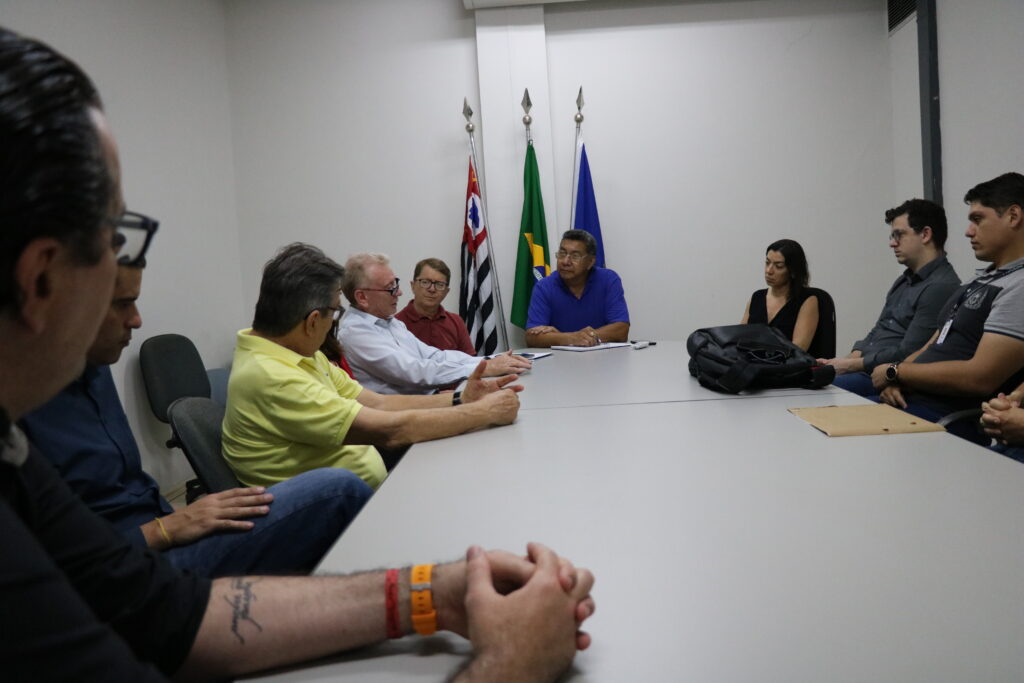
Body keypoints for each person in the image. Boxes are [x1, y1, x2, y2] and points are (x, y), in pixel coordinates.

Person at [0, 26, 594, 681]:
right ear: (41, 279)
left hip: (181, 544)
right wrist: (513, 663)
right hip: (315, 496)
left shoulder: (19, 447)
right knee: (337, 491)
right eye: (116, 232)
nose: (133, 307)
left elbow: (167, 610)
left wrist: (434, 594)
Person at [20, 260, 372, 576]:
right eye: (122, 303)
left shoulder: (93, 368)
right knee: (338, 491)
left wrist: (174, 519)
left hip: (161, 527)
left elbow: (125, 492)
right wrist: (164, 529)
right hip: (131, 565)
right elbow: (54, 562)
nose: (137, 320)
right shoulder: (20, 410)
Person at [223, 244, 525, 489]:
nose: (336, 322)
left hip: (370, 477)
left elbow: (378, 402)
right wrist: (484, 412)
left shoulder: (300, 351)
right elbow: (391, 431)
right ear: (313, 320)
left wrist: (461, 398)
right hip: (341, 507)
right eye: (335, 311)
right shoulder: (272, 376)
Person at [869, 172, 1024, 443]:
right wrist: (897, 378)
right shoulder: (978, 279)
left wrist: (896, 371)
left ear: (1013, 216)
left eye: (978, 219)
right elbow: (933, 343)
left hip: (943, 415)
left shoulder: (1018, 285)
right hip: (910, 400)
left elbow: (979, 377)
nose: (968, 231)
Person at [819, 199, 960, 396]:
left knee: (818, 393)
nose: (892, 243)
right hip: (867, 369)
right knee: (809, 382)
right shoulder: (904, 280)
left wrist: (851, 365)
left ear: (925, 234)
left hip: (885, 376)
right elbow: (879, 330)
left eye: (899, 235)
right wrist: (843, 361)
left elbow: (909, 352)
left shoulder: (940, 287)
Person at [338, 252, 530, 394]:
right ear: (362, 297)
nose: (399, 292)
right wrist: (484, 368)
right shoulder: (355, 333)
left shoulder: (389, 322)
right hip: (404, 417)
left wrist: (488, 361)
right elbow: (415, 372)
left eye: (396, 284)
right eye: (390, 288)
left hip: (428, 402)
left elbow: (433, 356)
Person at [525, 229, 630, 347]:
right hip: (561, 358)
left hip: (604, 356)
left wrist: (576, 338)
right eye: (562, 254)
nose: (565, 261)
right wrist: (571, 338)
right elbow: (532, 337)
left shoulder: (608, 280)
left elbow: (621, 330)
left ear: (590, 262)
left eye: (575, 256)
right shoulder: (544, 287)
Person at [741, 238, 822, 353]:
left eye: (778, 266)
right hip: (752, 361)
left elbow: (798, 349)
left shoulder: (807, 300)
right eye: (767, 263)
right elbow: (739, 338)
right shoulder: (756, 297)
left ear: (793, 271)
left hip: (787, 363)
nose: (769, 271)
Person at [396, 257, 477, 355]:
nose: (432, 289)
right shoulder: (396, 324)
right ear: (413, 286)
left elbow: (470, 361)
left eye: (439, 284)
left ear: (446, 292)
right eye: (425, 282)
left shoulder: (456, 322)